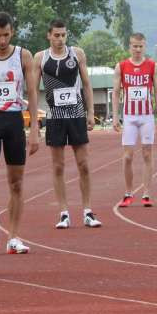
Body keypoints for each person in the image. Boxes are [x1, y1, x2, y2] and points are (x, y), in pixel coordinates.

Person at [0, 12, 40, 255]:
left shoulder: (23, 56)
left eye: (6, 35)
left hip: (14, 121)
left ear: (12, 32)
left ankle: (13, 236)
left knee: (16, 182)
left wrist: (34, 128)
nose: (2, 40)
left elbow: (32, 92)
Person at [34, 20, 101, 228]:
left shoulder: (77, 54)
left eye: (63, 35)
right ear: (49, 36)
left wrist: (91, 112)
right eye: (56, 35)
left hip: (76, 115)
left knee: (84, 164)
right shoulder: (41, 58)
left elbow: (87, 84)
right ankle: (63, 212)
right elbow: (33, 90)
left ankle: (88, 211)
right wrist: (35, 121)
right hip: (55, 117)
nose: (60, 39)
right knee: (58, 166)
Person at [112, 33, 157, 208]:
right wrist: (115, 116)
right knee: (127, 157)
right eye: (135, 46)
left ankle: (146, 193)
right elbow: (116, 92)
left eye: (141, 46)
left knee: (147, 154)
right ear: (129, 47)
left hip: (147, 116)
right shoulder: (121, 66)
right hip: (129, 117)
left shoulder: (152, 66)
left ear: (145, 46)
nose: (138, 49)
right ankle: (128, 193)